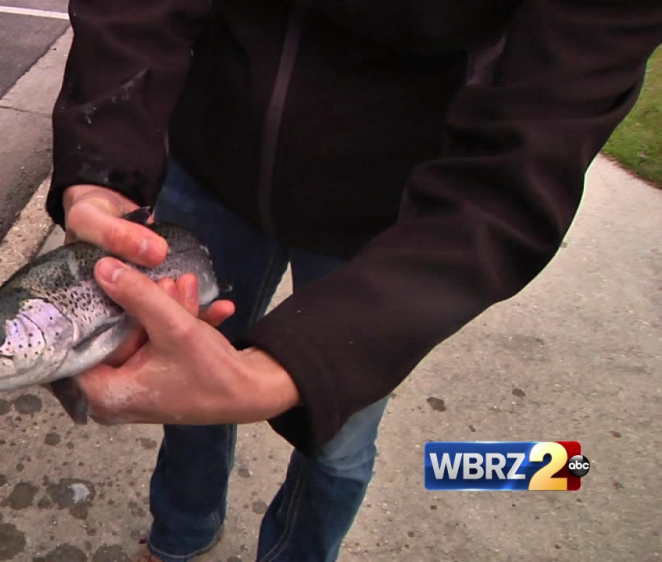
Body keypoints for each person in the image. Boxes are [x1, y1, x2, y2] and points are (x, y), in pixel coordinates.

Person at [43, 2, 662, 561]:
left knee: (337, 437)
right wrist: (102, 164)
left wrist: (305, 365)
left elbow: (534, 144)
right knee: (181, 384)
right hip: (213, 161)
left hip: (392, 217)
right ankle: (182, 532)